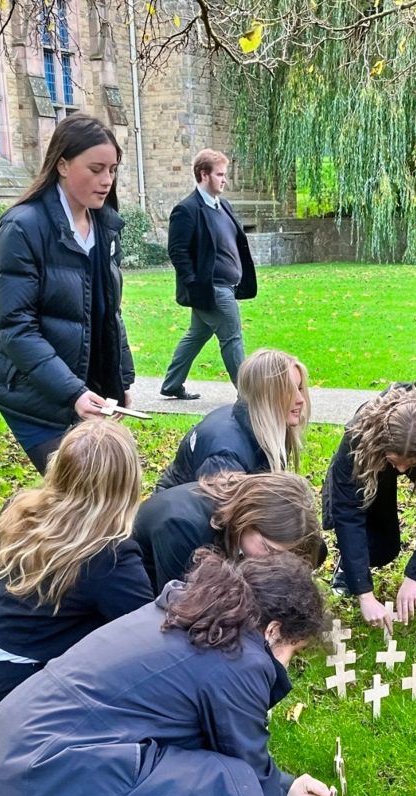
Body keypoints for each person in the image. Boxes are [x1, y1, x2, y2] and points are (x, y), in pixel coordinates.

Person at [0, 552, 338, 796]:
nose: (288, 665)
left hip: (17, 755)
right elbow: (244, 763)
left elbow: (213, 735)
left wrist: (284, 787)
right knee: (221, 781)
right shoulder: (239, 659)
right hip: (46, 778)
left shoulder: (189, 607)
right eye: (293, 652)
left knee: (208, 768)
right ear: (272, 630)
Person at [0, 419, 152, 732]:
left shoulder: (18, 510)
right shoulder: (109, 552)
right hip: (23, 699)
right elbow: (148, 641)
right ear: (126, 482)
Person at [0, 113, 135, 473]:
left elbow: (109, 312)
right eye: (96, 169)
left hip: (83, 387)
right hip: (31, 392)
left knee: (91, 489)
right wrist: (72, 392)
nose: (107, 180)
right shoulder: (21, 228)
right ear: (62, 165)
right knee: (77, 491)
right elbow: (16, 329)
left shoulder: (104, 225)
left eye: (112, 170)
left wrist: (121, 379)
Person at [324, 381, 416, 629]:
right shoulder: (359, 434)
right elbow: (347, 510)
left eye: (409, 463)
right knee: (383, 547)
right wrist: (364, 594)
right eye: (396, 461)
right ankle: (350, 569)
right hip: (375, 451)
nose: (402, 469)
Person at [160, 148, 257, 398]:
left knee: (196, 335)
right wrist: (194, 285)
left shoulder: (223, 205)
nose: (225, 180)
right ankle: (248, 396)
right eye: (220, 175)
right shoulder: (187, 209)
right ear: (204, 175)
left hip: (228, 286)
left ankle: (171, 384)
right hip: (212, 289)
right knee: (232, 338)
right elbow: (178, 252)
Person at [134, 470, 327, 593]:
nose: (272, 562)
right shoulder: (184, 528)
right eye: (269, 549)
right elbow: (181, 610)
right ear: (248, 518)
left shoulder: (229, 513)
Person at [155, 349, 310, 491]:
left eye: (299, 388)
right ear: (265, 396)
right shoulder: (225, 458)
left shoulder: (255, 420)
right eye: (289, 391)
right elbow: (219, 510)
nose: (300, 399)